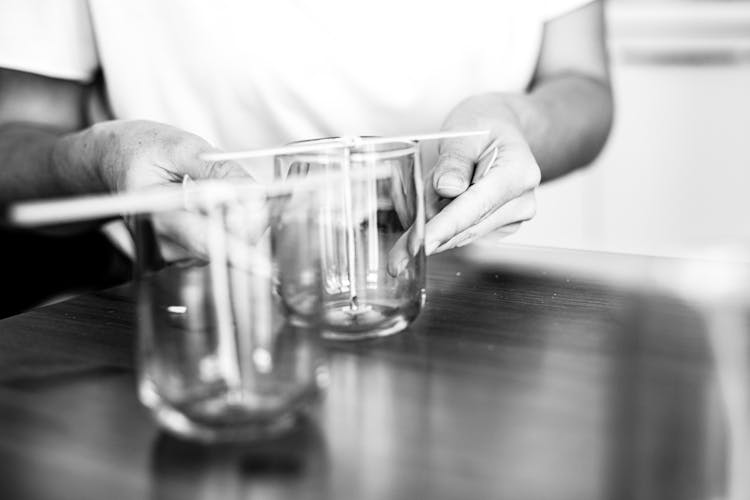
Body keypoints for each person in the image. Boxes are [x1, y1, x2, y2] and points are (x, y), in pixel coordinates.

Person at [0, 0, 612, 261]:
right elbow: (15, 136)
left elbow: (581, 83)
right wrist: (100, 161)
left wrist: (515, 123)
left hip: (476, 294)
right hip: (176, 302)